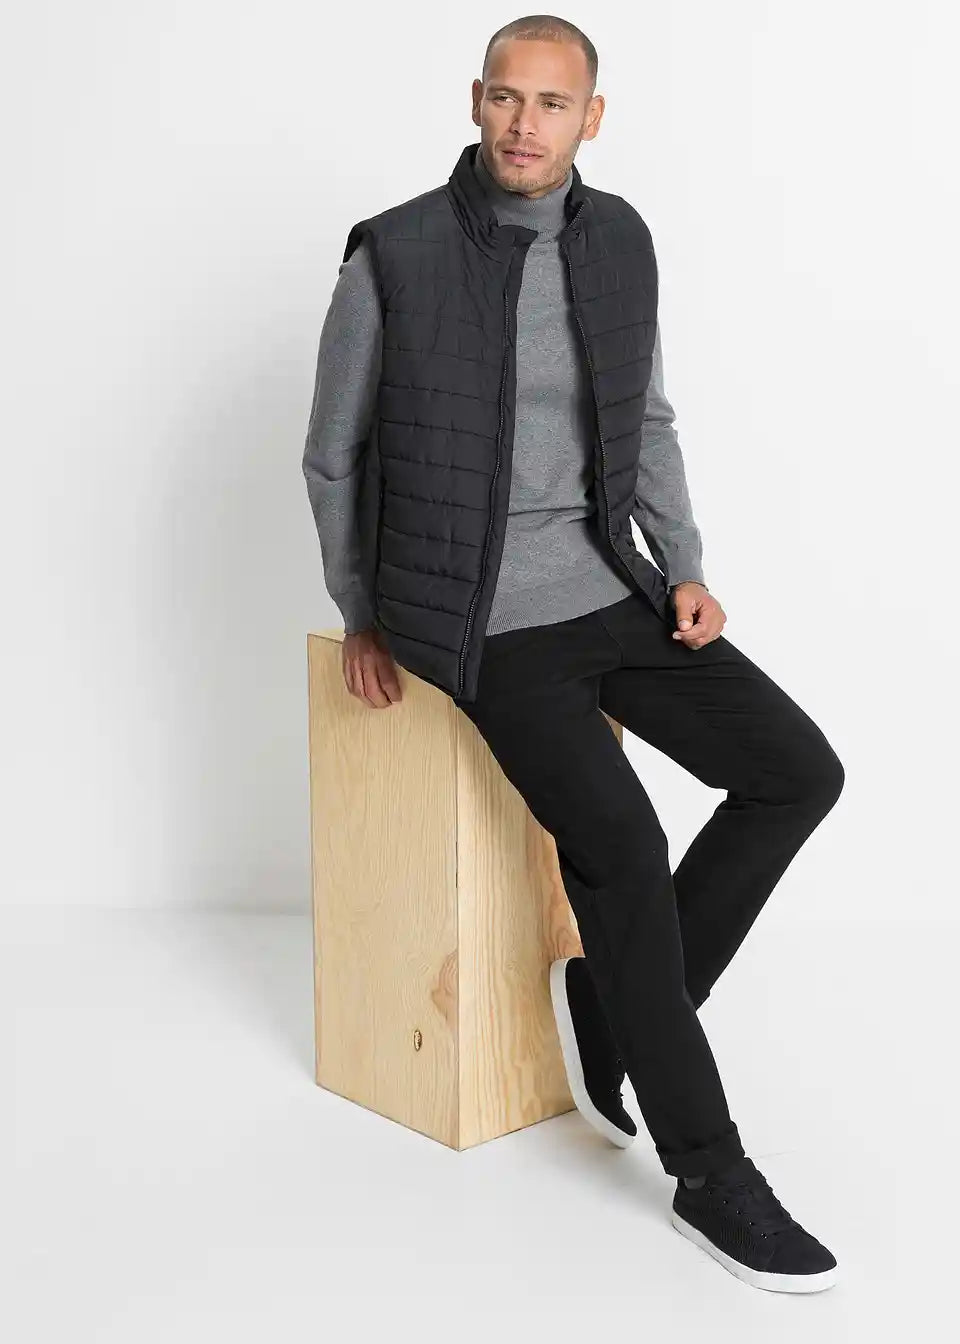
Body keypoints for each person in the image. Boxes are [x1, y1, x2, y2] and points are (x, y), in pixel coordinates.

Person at [301, 13, 845, 1295]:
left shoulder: (620, 240)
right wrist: (364, 610)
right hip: (482, 619)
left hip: (611, 584)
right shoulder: (396, 254)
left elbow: (643, 415)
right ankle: (708, 1172)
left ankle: (610, 1003)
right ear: (474, 101)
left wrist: (685, 565)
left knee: (796, 772)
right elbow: (334, 454)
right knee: (624, 849)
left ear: (591, 118)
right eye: (505, 97)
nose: (524, 124)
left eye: (552, 104)